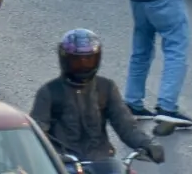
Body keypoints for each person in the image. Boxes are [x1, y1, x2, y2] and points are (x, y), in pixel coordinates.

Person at [30, 29, 162, 168]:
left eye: (89, 60)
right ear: (65, 59)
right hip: (65, 163)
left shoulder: (106, 87)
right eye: (77, 61)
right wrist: (51, 157)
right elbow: (38, 132)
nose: (83, 65)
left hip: (102, 161)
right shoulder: (50, 92)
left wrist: (147, 143)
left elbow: (126, 126)